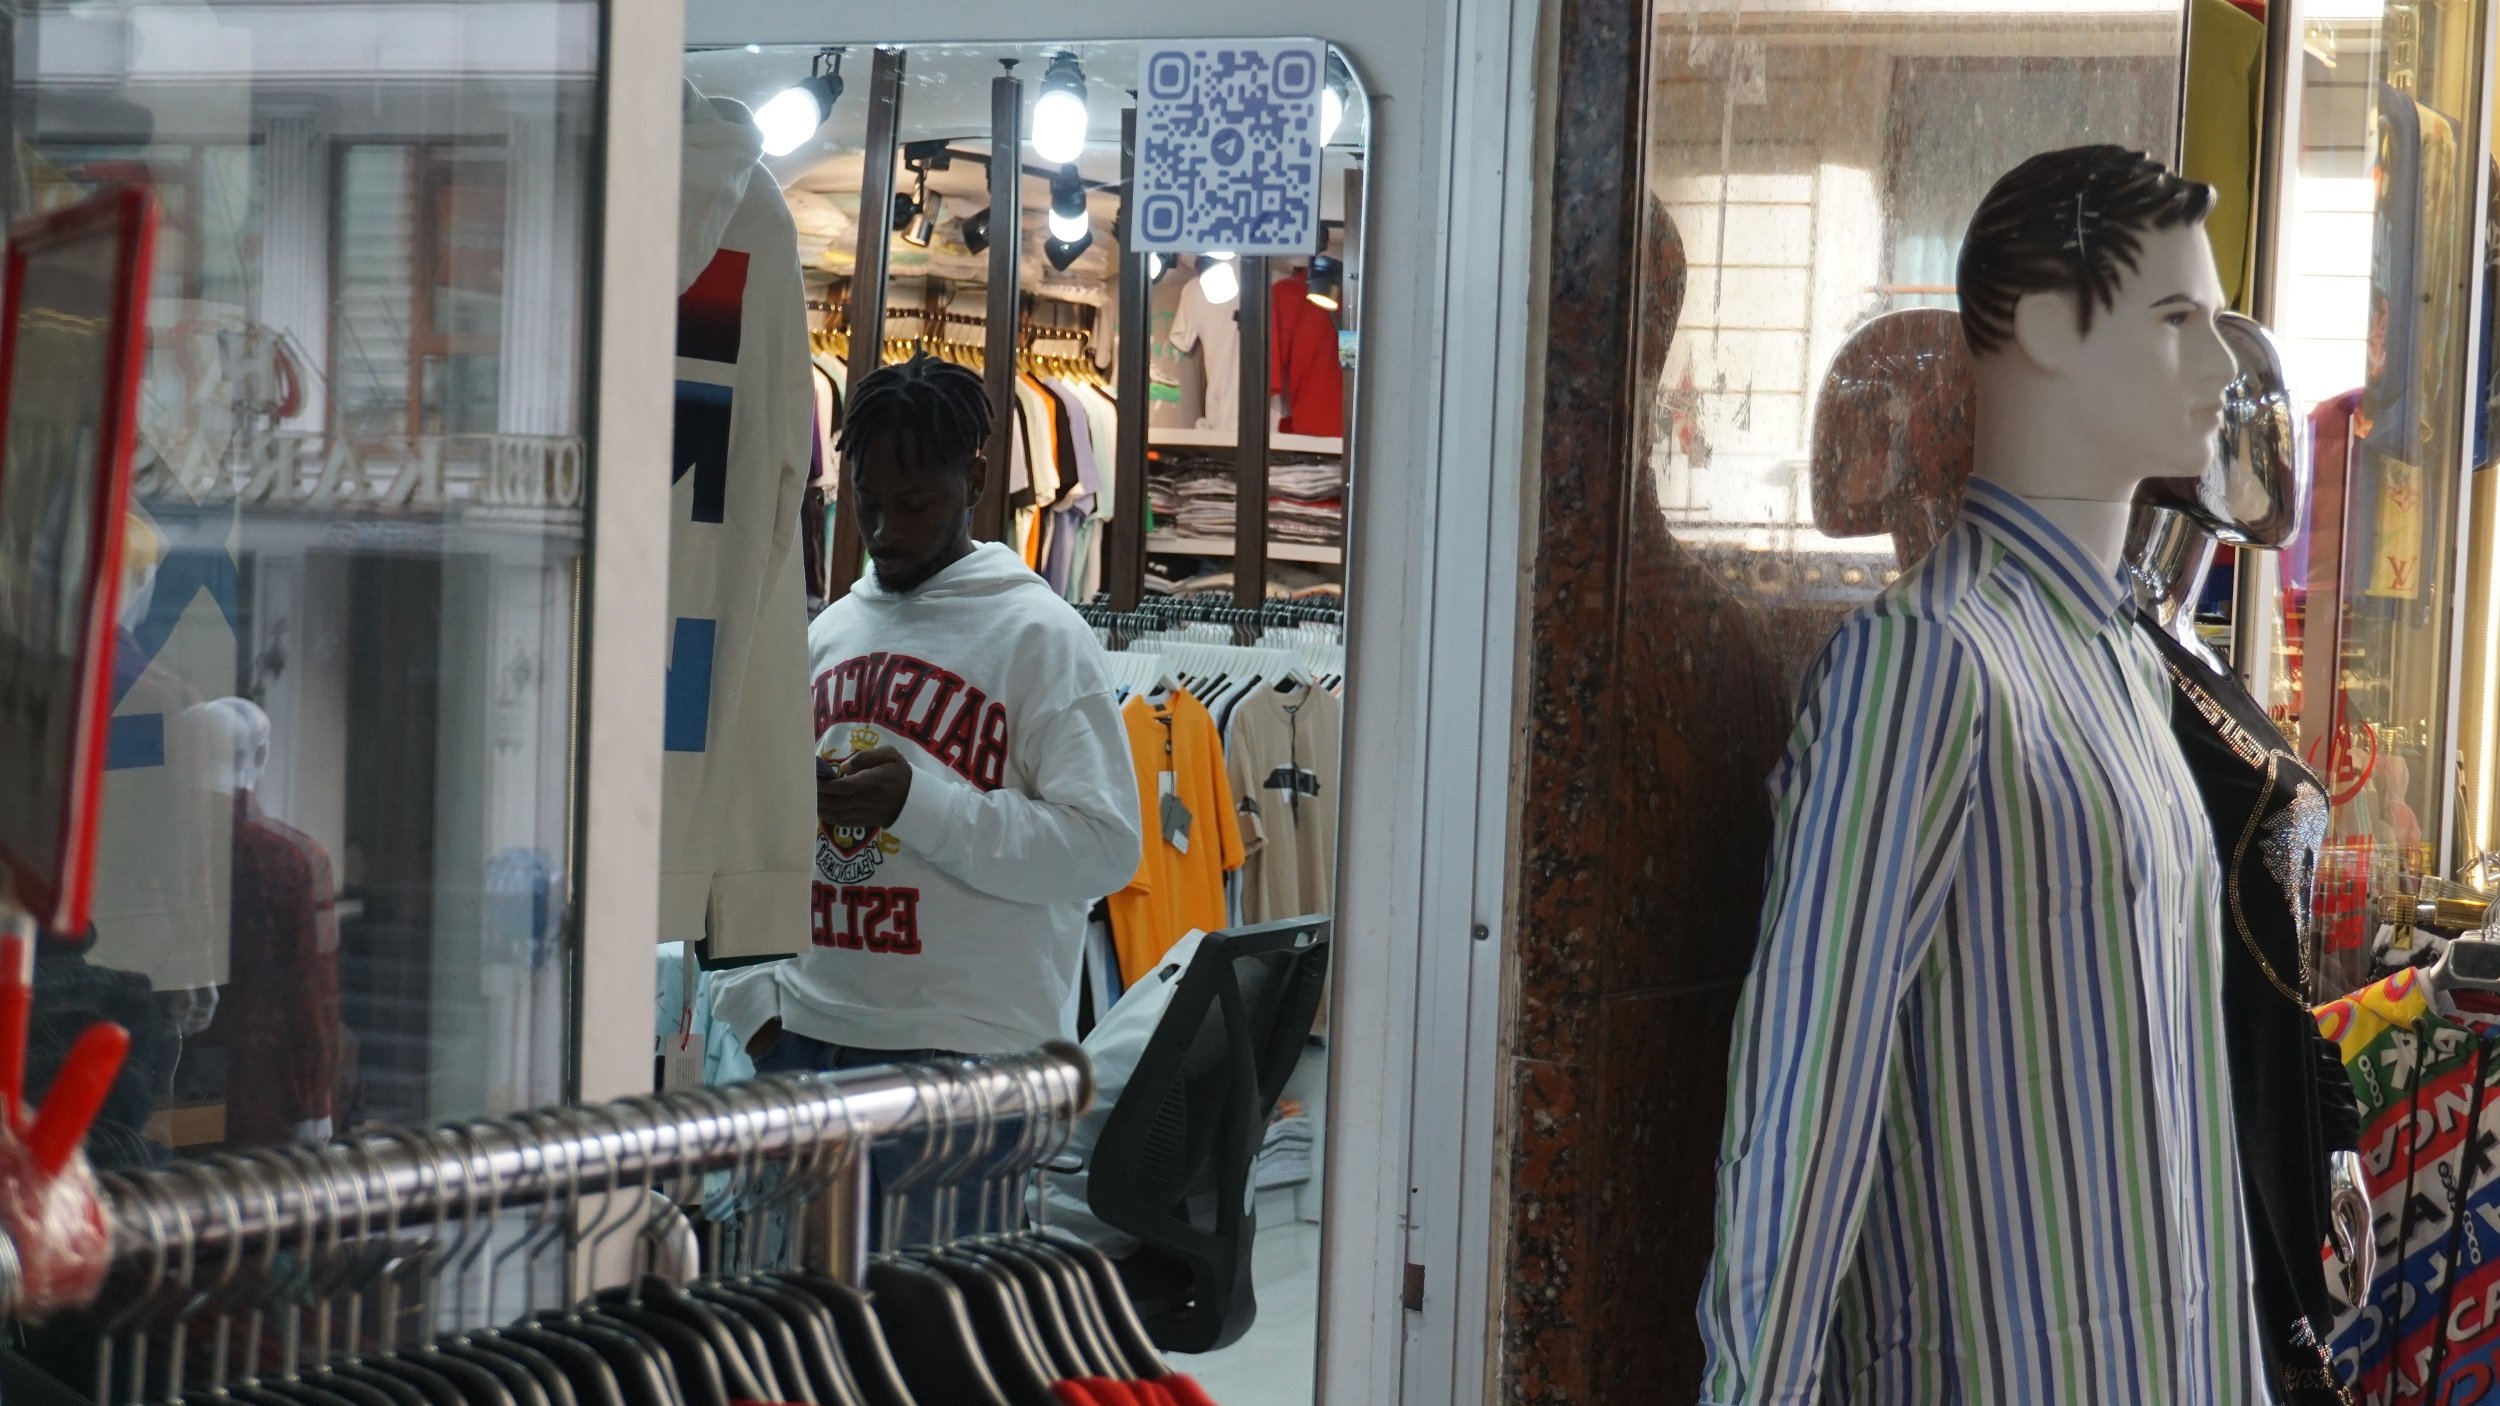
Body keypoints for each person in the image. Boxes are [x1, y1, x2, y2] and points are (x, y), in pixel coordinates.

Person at [716, 353, 1142, 1083]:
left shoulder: (1041, 638)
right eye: (867, 499)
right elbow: (749, 823)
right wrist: (751, 1005)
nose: (885, 531)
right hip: (805, 1038)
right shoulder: (830, 632)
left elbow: (1105, 848)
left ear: (974, 482)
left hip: (972, 1055)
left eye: (914, 505)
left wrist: (917, 804)